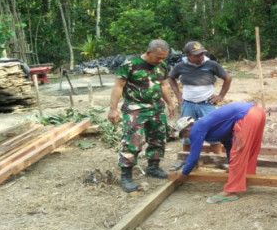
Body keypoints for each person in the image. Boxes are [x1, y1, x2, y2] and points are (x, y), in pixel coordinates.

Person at [108, 39, 176, 193]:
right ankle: (126, 175)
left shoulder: (162, 66)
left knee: (158, 138)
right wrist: (113, 109)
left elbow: (163, 85)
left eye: (164, 58)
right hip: (135, 109)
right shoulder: (130, 65)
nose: (161, 60)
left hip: (156, 108)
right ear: (148, 52)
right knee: (132, 142)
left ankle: (153, 167)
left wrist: (170, 103)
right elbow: (118, 86)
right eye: (158, 57)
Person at [172, 102, 266, 203]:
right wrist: (232, 167)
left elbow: (194, 156)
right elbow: (229, 145)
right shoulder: (210, 125)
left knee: (238, 152)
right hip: (257, 111)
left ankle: (231, 191)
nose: (187, 138)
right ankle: (247, 176)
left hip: (247, 115)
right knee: (249, 149)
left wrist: (184, 173)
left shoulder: (196, 128)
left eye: (184, 136)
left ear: (186, 130)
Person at [167, 41, 232, 152]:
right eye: (197, 55)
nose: (200, 57)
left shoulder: (212, 65)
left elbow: (228, 78)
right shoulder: (180, 66)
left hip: (207, 104)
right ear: (187, 56)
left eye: (202, 54)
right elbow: (171, 78)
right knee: (187, 134)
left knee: (213, 133)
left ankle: (218, 160)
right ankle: (187, 161)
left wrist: (220, 96)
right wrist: (178, 94)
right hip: (188, 105)